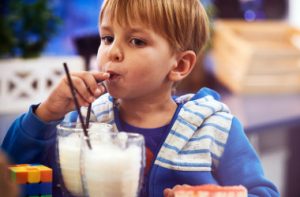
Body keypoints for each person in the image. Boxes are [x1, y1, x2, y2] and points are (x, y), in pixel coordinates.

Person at [1, 0, 279, 196]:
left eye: (136, 41)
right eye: (107, 38)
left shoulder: (214, 129)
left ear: (180, 65)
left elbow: (263, 193)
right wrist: (46, 113)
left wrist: (209, 196)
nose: (112, 52)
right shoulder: (83, 121)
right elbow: (12, 172)